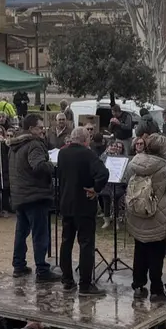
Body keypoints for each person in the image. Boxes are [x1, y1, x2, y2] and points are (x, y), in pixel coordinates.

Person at [122, 134, 166, 300]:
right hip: (157, 217)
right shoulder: (164, 169)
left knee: (140, 251)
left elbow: (126, 179)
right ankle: (157, 290)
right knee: (156, 255)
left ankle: (138, 286)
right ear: (163, 150)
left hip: (137, 214)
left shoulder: (134, 163)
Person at [56, 127, 110, 296]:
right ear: (86, 139)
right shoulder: (88, 154)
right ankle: (85, 285)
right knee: (86, 245)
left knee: (66, 242)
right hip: (84, 204)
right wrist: (96, 188)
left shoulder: (62, 154)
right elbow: (103, 172)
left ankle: (67, 280)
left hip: (66, 203)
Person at [9, 115, 55, 281]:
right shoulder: (34, 144)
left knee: (21, 233)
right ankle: (42, 270)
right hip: (35, 196)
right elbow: (39, 166)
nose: (43, 130)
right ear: (31, 129)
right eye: (40, 128)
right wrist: (53, 166)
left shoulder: (15, 146)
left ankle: (19, 265)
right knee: (40, 234)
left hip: (20, 195)